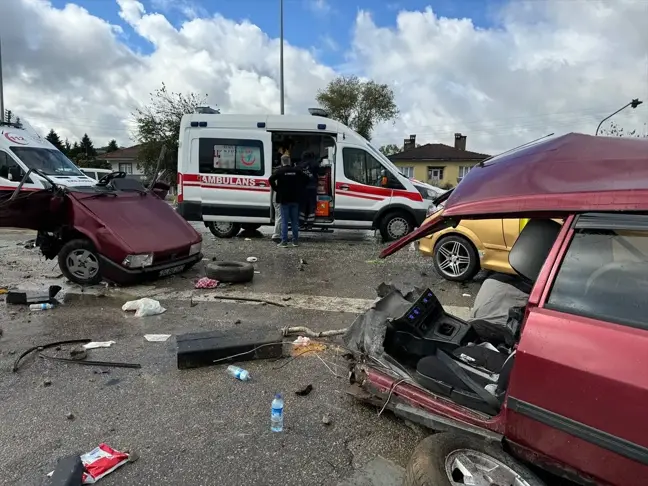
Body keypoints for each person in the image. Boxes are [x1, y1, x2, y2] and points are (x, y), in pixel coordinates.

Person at [269, 154, 309, 247]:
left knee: (284, 221)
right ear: (290, 161)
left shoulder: (280, 171)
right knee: (295, 221)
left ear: (282, 161)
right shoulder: (296, 170)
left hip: (284, 199)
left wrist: (277, 189)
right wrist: (300, 188)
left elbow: (270, 179)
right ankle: (295, 241)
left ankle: (284, 241)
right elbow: (307, 179)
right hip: (295, 199)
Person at [298, 151, 320, 229]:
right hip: (312, 188)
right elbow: (320, 172)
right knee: (312, 205)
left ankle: (301, 224)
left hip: (302, 189)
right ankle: (310, 224)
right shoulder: (315, 163)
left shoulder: (300, 165)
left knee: (302, 206)